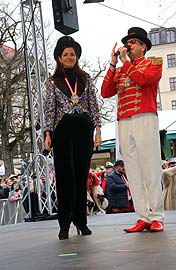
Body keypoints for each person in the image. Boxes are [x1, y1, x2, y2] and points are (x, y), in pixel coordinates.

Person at [101, 27, 164, 232]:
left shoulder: (153, 63)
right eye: (128, 43)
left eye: (134, 42)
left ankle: (156, 216)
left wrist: (125, 63)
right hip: (125, 120)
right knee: (134, 171)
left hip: (145, 116)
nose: (130, 45)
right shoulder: (120, 69)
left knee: (150, 168)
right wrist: (112, 64)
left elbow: (143, 80)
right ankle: (143, 216)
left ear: (144, 46)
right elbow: (105, 92)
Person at [44, 36, 101, 240]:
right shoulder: (54, 82)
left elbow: (94, 104)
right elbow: (50, 109)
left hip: (83, 128)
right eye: (66, 54)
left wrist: (98, 130)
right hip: (63, 129)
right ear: (59, 58)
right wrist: (47, 133)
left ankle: (81, 221)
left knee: (80, 176)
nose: (70, 57)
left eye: (73, 54)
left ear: (77, 57)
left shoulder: (85, 79)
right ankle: (65, 223)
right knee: (65, 177)